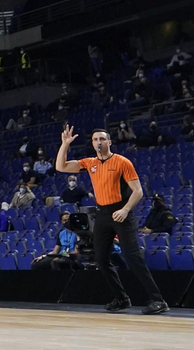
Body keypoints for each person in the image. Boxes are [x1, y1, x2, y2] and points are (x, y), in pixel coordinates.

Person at [55, 125, 168, 314]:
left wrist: (125, 210)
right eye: (95, 139)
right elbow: (61, 166)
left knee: (132, 257)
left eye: (102, 139)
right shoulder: (89, 163)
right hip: (102, 215)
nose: (98, 142)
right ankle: (122, 298)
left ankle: (158, 300)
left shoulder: (122, 162)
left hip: (121, 213)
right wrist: (65, 144)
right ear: (92, 143)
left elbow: (138, 191)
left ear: (109, 142)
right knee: (100, 258)